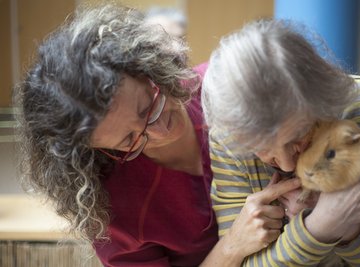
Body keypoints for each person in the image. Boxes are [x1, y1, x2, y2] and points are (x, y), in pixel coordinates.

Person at [14, 5, 301, 267]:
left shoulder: (226, 88)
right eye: (129, 141)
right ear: (98, 151)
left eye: (147, 107)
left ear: (148, 68)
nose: (161, 132)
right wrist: (232, 247)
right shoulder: (115, 214)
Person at [202, 19, 360, 266]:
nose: (286, 166)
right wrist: (320, 225)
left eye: (297, 138)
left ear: (323, 101)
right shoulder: (227, 140)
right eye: (263, 150)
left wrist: (349, 230)